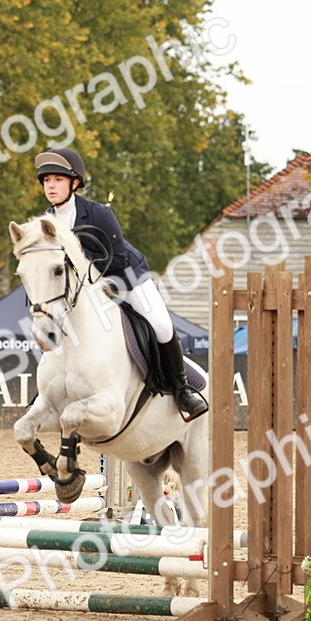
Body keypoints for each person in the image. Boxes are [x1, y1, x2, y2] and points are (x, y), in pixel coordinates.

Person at [33, 147, 208, 421]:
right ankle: (51, 393)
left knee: (160, 325)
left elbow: (119, 258)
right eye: (46, 181)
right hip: (87, 292)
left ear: (74, 183)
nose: (51, 186)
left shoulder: (98, 213)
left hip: (126, 278)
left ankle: (181, 387)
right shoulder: (47, 222)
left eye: (57, 179)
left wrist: (82, 255)